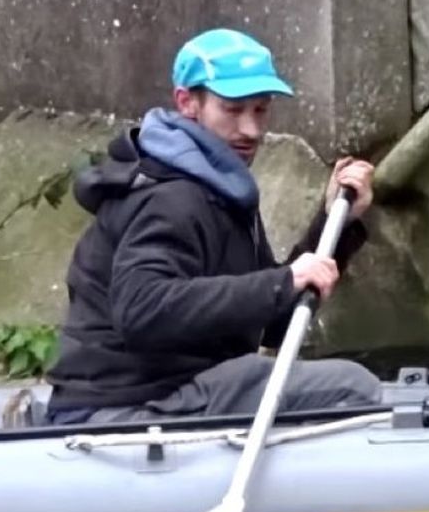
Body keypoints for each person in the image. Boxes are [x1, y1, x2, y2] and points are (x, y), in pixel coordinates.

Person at [44, 28, 381, 424]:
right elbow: (142, 308)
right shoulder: (172, 198)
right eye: (233, 110)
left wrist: (334, 225)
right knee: (352, 387)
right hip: (127, 405)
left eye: (260, 110)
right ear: (187, 102)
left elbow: (272, 324)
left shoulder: (222, 188)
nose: (251, 130)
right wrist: (282, 281)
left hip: (174, 388)